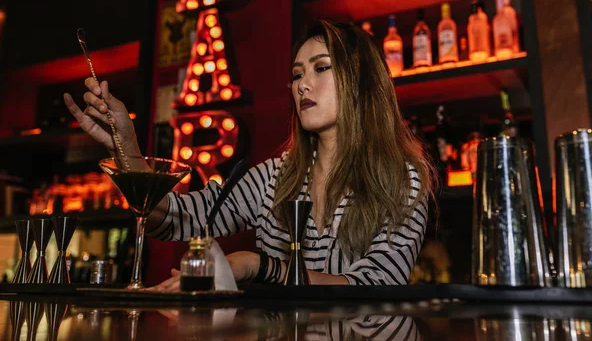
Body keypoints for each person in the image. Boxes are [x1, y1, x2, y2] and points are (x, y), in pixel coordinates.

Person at [64, 20, 435, 288]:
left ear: (361, 82)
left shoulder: (402, 178)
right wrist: (126, 144)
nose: (302, 84)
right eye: (296, 74)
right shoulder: (275, 176)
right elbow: (176, 217)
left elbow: (380, 283)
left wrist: (259, 266)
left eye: (321, 68)